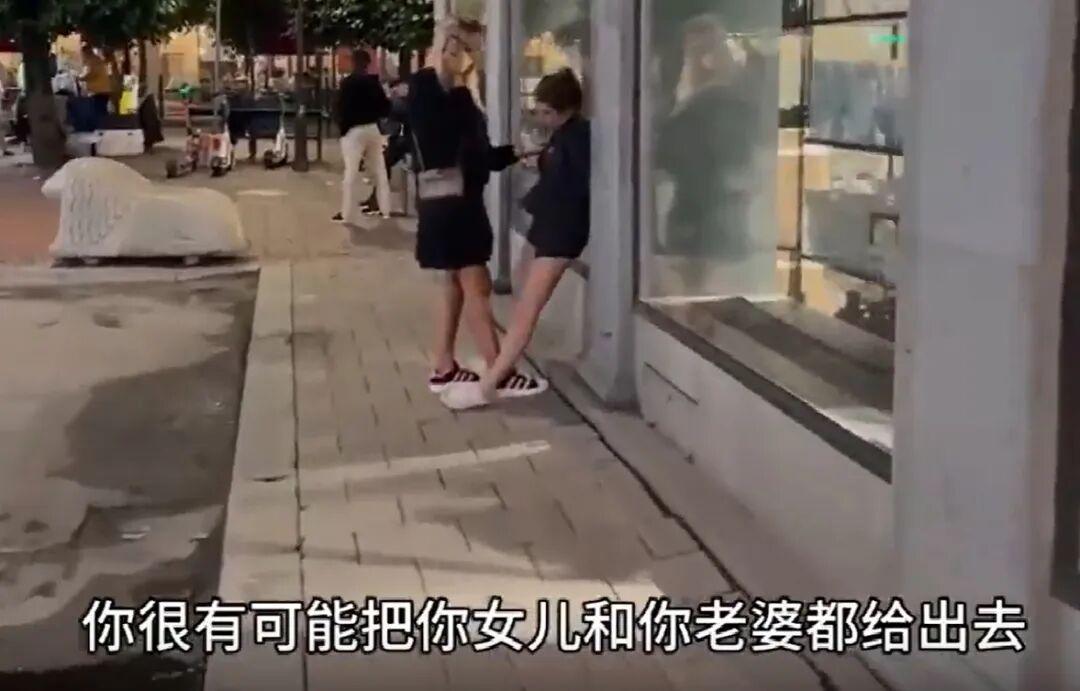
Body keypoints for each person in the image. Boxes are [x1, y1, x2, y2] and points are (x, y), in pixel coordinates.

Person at [409, 16, 545, 396]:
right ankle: (499, 372)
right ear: (450, 48)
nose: (475, 58)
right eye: (470, 49)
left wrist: (513, 154)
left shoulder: (442, 92)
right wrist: (462, 85)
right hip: (455, 207)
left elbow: (472, 155)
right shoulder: (433, 92)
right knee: (476, 285)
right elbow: (455, 148)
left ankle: (443, 366)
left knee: (456, 285)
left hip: (449, 202)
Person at [442, 68, 590, 410]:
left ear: (566, 109)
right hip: (549, 225)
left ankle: (489, 386)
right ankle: (503, 366)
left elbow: (570, 188)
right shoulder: (564, 135)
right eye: (539, 111)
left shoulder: (578, 139)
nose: (541, 118)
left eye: (547, 112)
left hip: (561, 230)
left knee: (526, 310)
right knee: (523, 296)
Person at [333, 49, 392, 224]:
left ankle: (346, 214)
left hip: (353, 131)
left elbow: (338, 107)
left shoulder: (347, 83)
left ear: (353, 62)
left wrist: (342, 127)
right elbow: (385, 107)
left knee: (350, 174)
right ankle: (385, 210)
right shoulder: (374, 83)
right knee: (380, 171)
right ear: (368, 64)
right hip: (372, 128)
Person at [360, 79, 410, 217]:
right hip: (399, 140)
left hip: (406, 141)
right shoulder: (400, 101)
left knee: (382, 162)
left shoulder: (403, 102)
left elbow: (396, 112)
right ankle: (375, 198)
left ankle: (377, 200)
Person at [80, 45, 111, 118]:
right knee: (100, 111)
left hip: (99, 91)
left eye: (83, 53)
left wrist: (81, 78)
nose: (83, 56)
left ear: (86, 52)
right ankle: (105, 122)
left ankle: (105, 123)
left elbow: (92, 73)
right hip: (100, 90)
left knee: (99, 111)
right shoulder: (93, 60)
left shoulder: (93, 61)